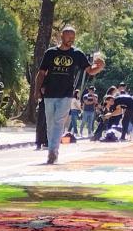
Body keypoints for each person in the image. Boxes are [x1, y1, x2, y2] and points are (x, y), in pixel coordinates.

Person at [34, 26, 104, 163]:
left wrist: (100, 67)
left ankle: (53, 151)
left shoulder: (77, 53)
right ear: (62, 36)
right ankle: (51, 149)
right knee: (50, 122)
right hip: (49, 93)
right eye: (68, 37)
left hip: (66, 94)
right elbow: (41, 73)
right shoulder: (50, 53)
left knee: (59, 122)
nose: (71, 40)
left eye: (73, 37)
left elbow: (89, 70)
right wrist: (37, 90)